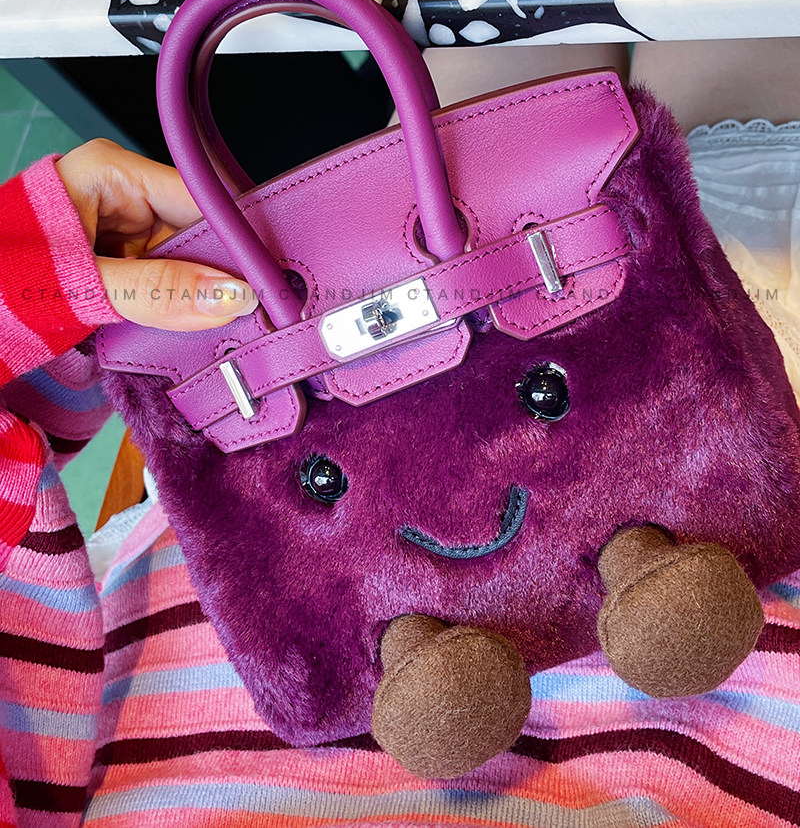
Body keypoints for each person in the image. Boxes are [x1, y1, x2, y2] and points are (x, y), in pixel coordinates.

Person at [0, 41, 799, 825]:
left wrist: (30, 283)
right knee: (677, 28)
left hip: (346, 323)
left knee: (499, 46)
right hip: (666, 388)